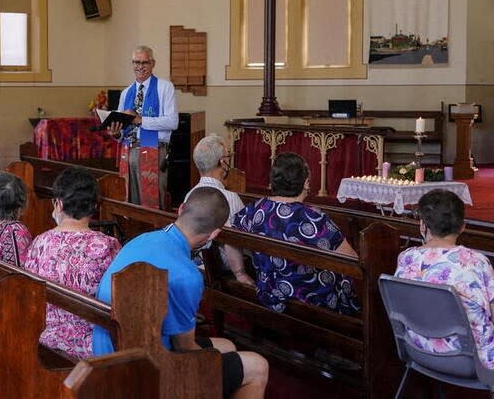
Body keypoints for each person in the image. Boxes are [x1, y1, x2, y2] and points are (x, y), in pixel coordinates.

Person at [93, 187, 268, 399]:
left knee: (228, 346)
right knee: (258, 365)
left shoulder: (141, 240)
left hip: (108, 357)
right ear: (214, 234)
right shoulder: (188, 276)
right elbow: (184, 347)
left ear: (181, 209)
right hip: (148, 373)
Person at [232, 152, 359, 315]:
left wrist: (240, 273)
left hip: (269, 294)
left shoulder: (256, 209)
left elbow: (229, 233)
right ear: (306, 183)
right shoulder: (314, 219)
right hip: (310, 302)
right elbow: (353, 261)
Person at [24, 167, 121, 359]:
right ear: (94, 206)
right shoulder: (107, 246)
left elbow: (29, 291)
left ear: (58, 204)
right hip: (91, 342)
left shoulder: (40, 242)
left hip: (46, 334)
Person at [395, 189, 494, 369]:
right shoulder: (478, 263)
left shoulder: (406, 258)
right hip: (471, 360)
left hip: (418, 349)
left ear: (423, 225)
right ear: (462, 226)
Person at [107, 45, 178, 209]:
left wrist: (140, 120)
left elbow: (172, 122)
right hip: (128, 151)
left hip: (154, 149)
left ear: (152, 63)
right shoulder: (126, 93)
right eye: (136, 62)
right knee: (129, 200)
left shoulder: (165, 87)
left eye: (144, 62)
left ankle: (152, 232)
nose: (140, 67)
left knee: (152, 203)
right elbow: (122, 129)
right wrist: (116, 133)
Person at [185, 135, 251, 284]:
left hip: (195, 259)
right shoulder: (230, 198)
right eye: (228, 155)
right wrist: (240, 274)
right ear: (223, 162)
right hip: (221, 265)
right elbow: (237, 239)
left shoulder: (190, 195)